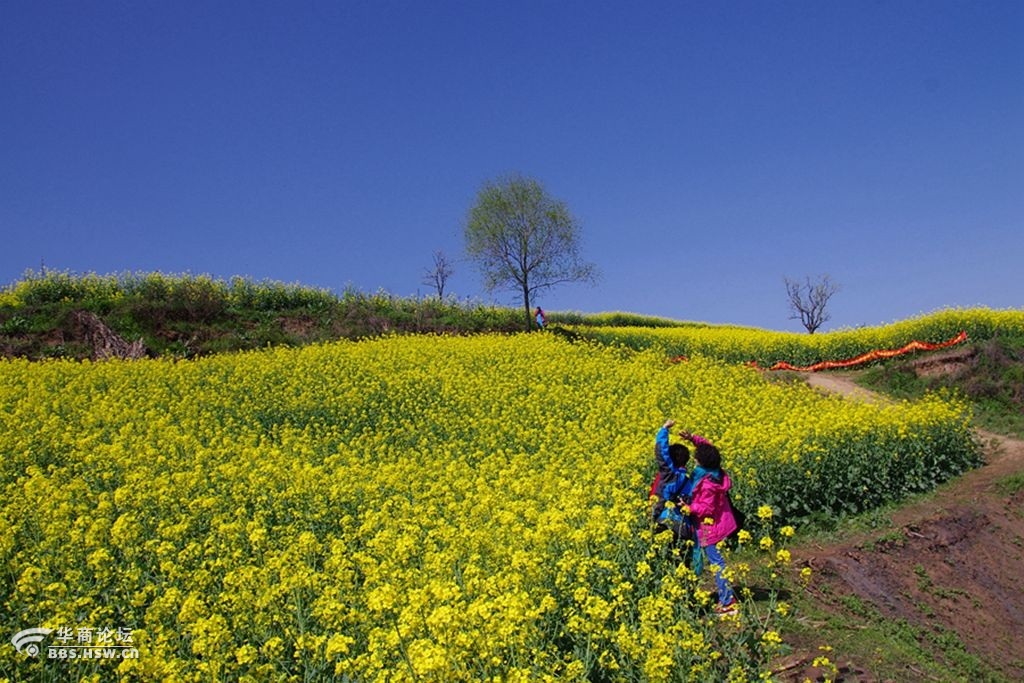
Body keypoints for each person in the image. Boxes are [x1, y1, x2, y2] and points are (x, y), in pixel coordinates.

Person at [687, 436, 739, 616]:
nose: (694, 460)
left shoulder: (708, 483)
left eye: (696, 458)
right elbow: (709, 448)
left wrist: (689, 508)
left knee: (717, 562)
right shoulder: (715, 471)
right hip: (718, 522)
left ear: (702, 462)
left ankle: (728, 602)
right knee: (716, 561)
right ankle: (726, 598)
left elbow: (706, 508)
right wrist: (693, 438)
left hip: (711, 527)